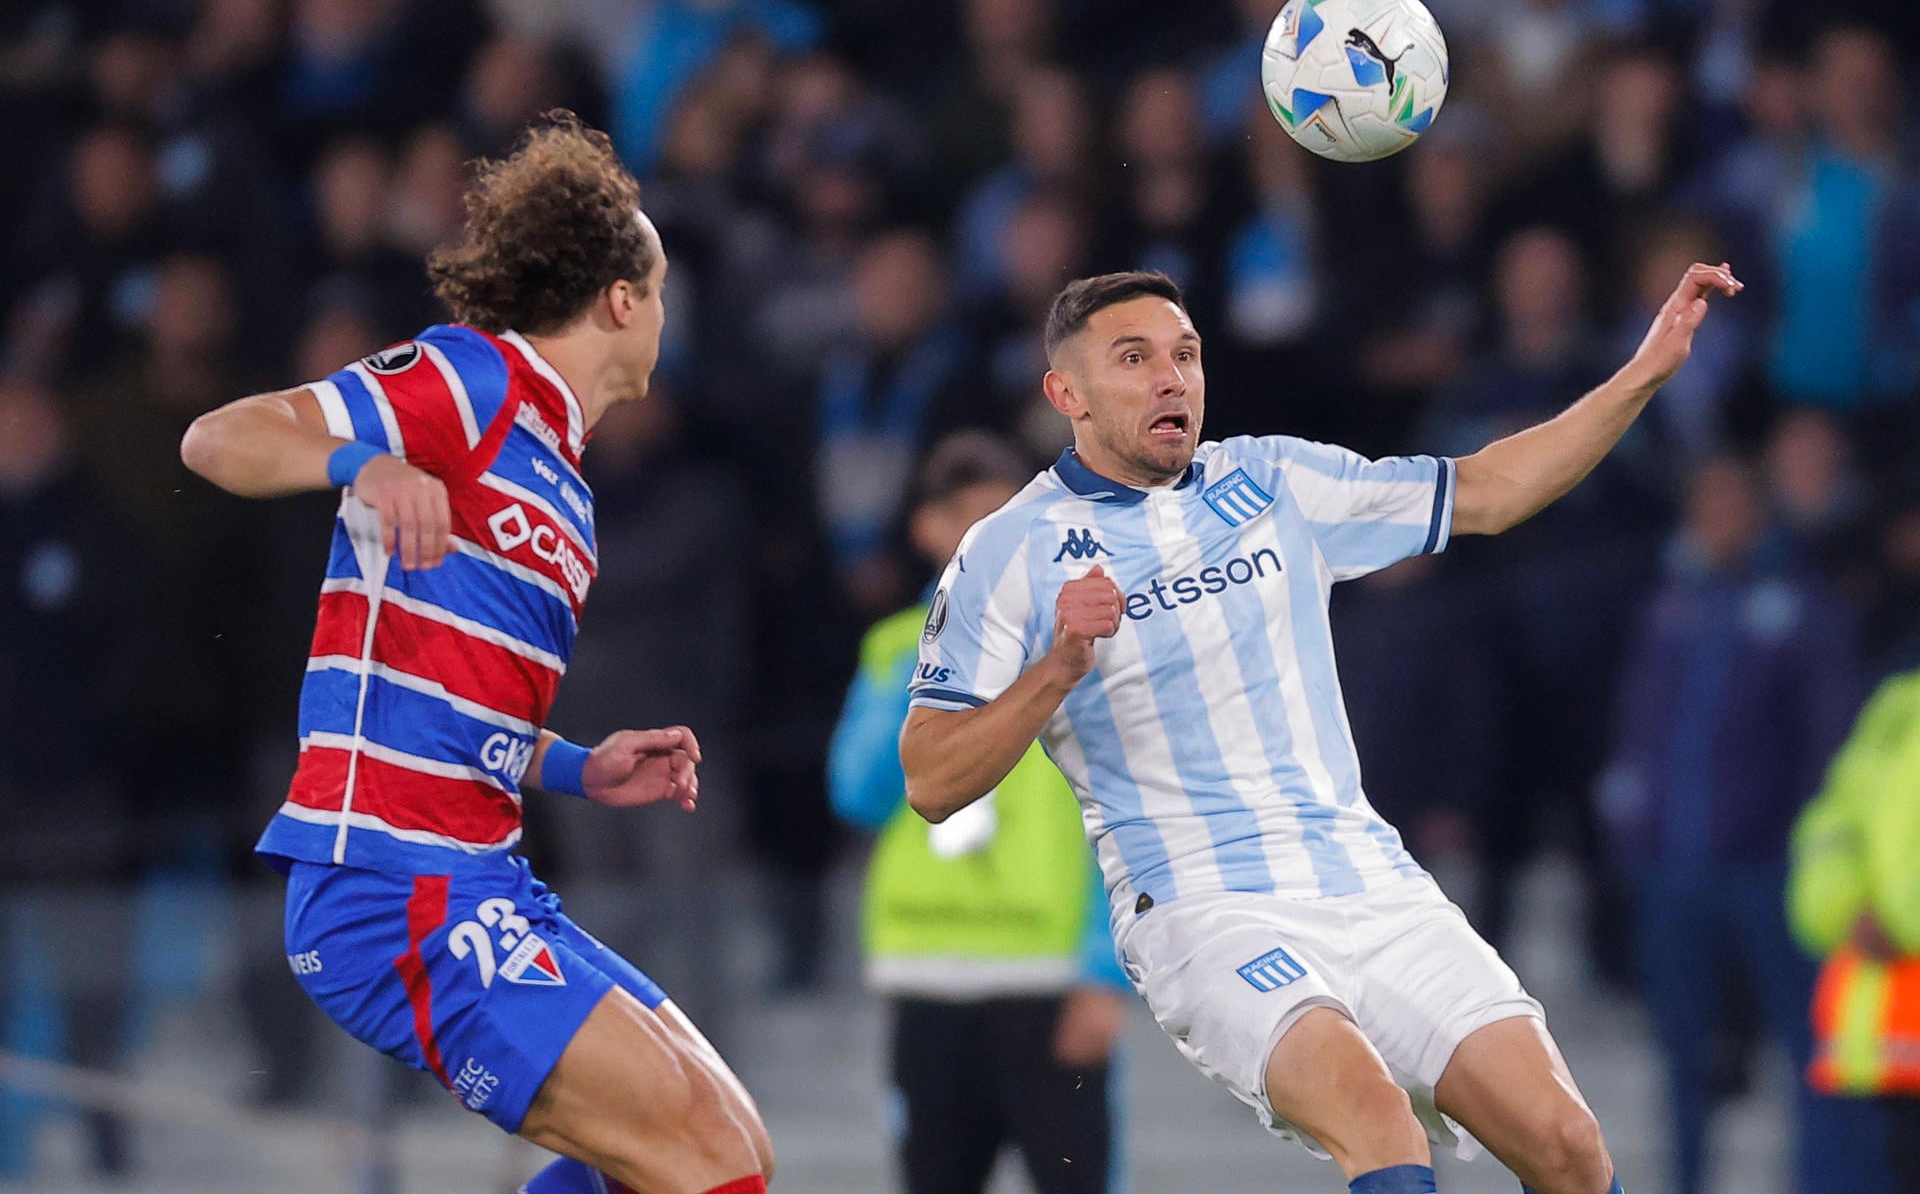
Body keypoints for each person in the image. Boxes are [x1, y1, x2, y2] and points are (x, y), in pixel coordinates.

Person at [898, 262, 1743, 1194]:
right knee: (1379, 1122)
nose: (1171, 378)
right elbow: (931, 780)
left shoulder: (1270, 480)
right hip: (1203, 908)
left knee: (1568, 1145)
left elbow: (1493, 489)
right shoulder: (1008, 550)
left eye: (1185, 354)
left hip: (1368, 878)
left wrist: (1643, 373)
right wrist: (1054, 670)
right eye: (1133, 358)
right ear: (1067, 393)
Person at [178, 112, 774, 1194]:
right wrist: (365, 463)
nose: (666, 316)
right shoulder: (472, 378)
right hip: (388, 883)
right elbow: (218, 437)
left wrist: (578, 764)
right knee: (708, 1164)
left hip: (481, 876)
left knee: (732, 1147)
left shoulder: (567, 488)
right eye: (664, 288)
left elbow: (455, 705)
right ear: (621, 299)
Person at [829, 431, 1131, 1194]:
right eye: (967, 517)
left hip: (1049, 979)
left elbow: (1126, 813)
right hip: (925, 973)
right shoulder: (895, 646)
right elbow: (857, 794)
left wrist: (1104, 970)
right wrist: (925, 670)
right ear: (928, 528)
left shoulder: (1085, 654)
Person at [1599, 453, 1883, 1194]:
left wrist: (1806, 852)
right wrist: (1637, 842)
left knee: (1806, 1053)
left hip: (1769, 872)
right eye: (1705, 504)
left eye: (1731, 503)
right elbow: (1639, 733)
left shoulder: (1799, 607)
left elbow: (1828, 746)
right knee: (1683, 1059)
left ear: (1758, 514)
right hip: (1678, 873)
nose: (1716, 518)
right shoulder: (1668, 608)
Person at [1789, 664, 1920, 1192]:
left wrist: (1902, 918)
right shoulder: (1899, 705)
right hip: (1889, 1028)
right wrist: (1844, 907)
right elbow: (1834, 821)